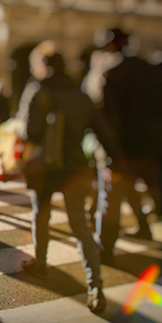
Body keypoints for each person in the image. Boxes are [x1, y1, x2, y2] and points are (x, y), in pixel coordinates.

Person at [18, 44, 111, 313]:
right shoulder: (81, 94)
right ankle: (96, 287)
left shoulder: (37, 89)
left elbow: (30, 132)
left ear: (42, 65)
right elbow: (101, 130)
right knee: (81, 226)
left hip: (46, 169)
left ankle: (41, 263)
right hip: (76, 168)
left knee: (41, 215)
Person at [88, 28, 162, 263]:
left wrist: (109, 152)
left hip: (120, 151)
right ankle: (143, 227)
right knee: (152, 193)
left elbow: (103, 116)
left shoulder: (110, 73)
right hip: (150, 148)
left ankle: (106, 249)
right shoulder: (150, 70)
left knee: (111, 201)